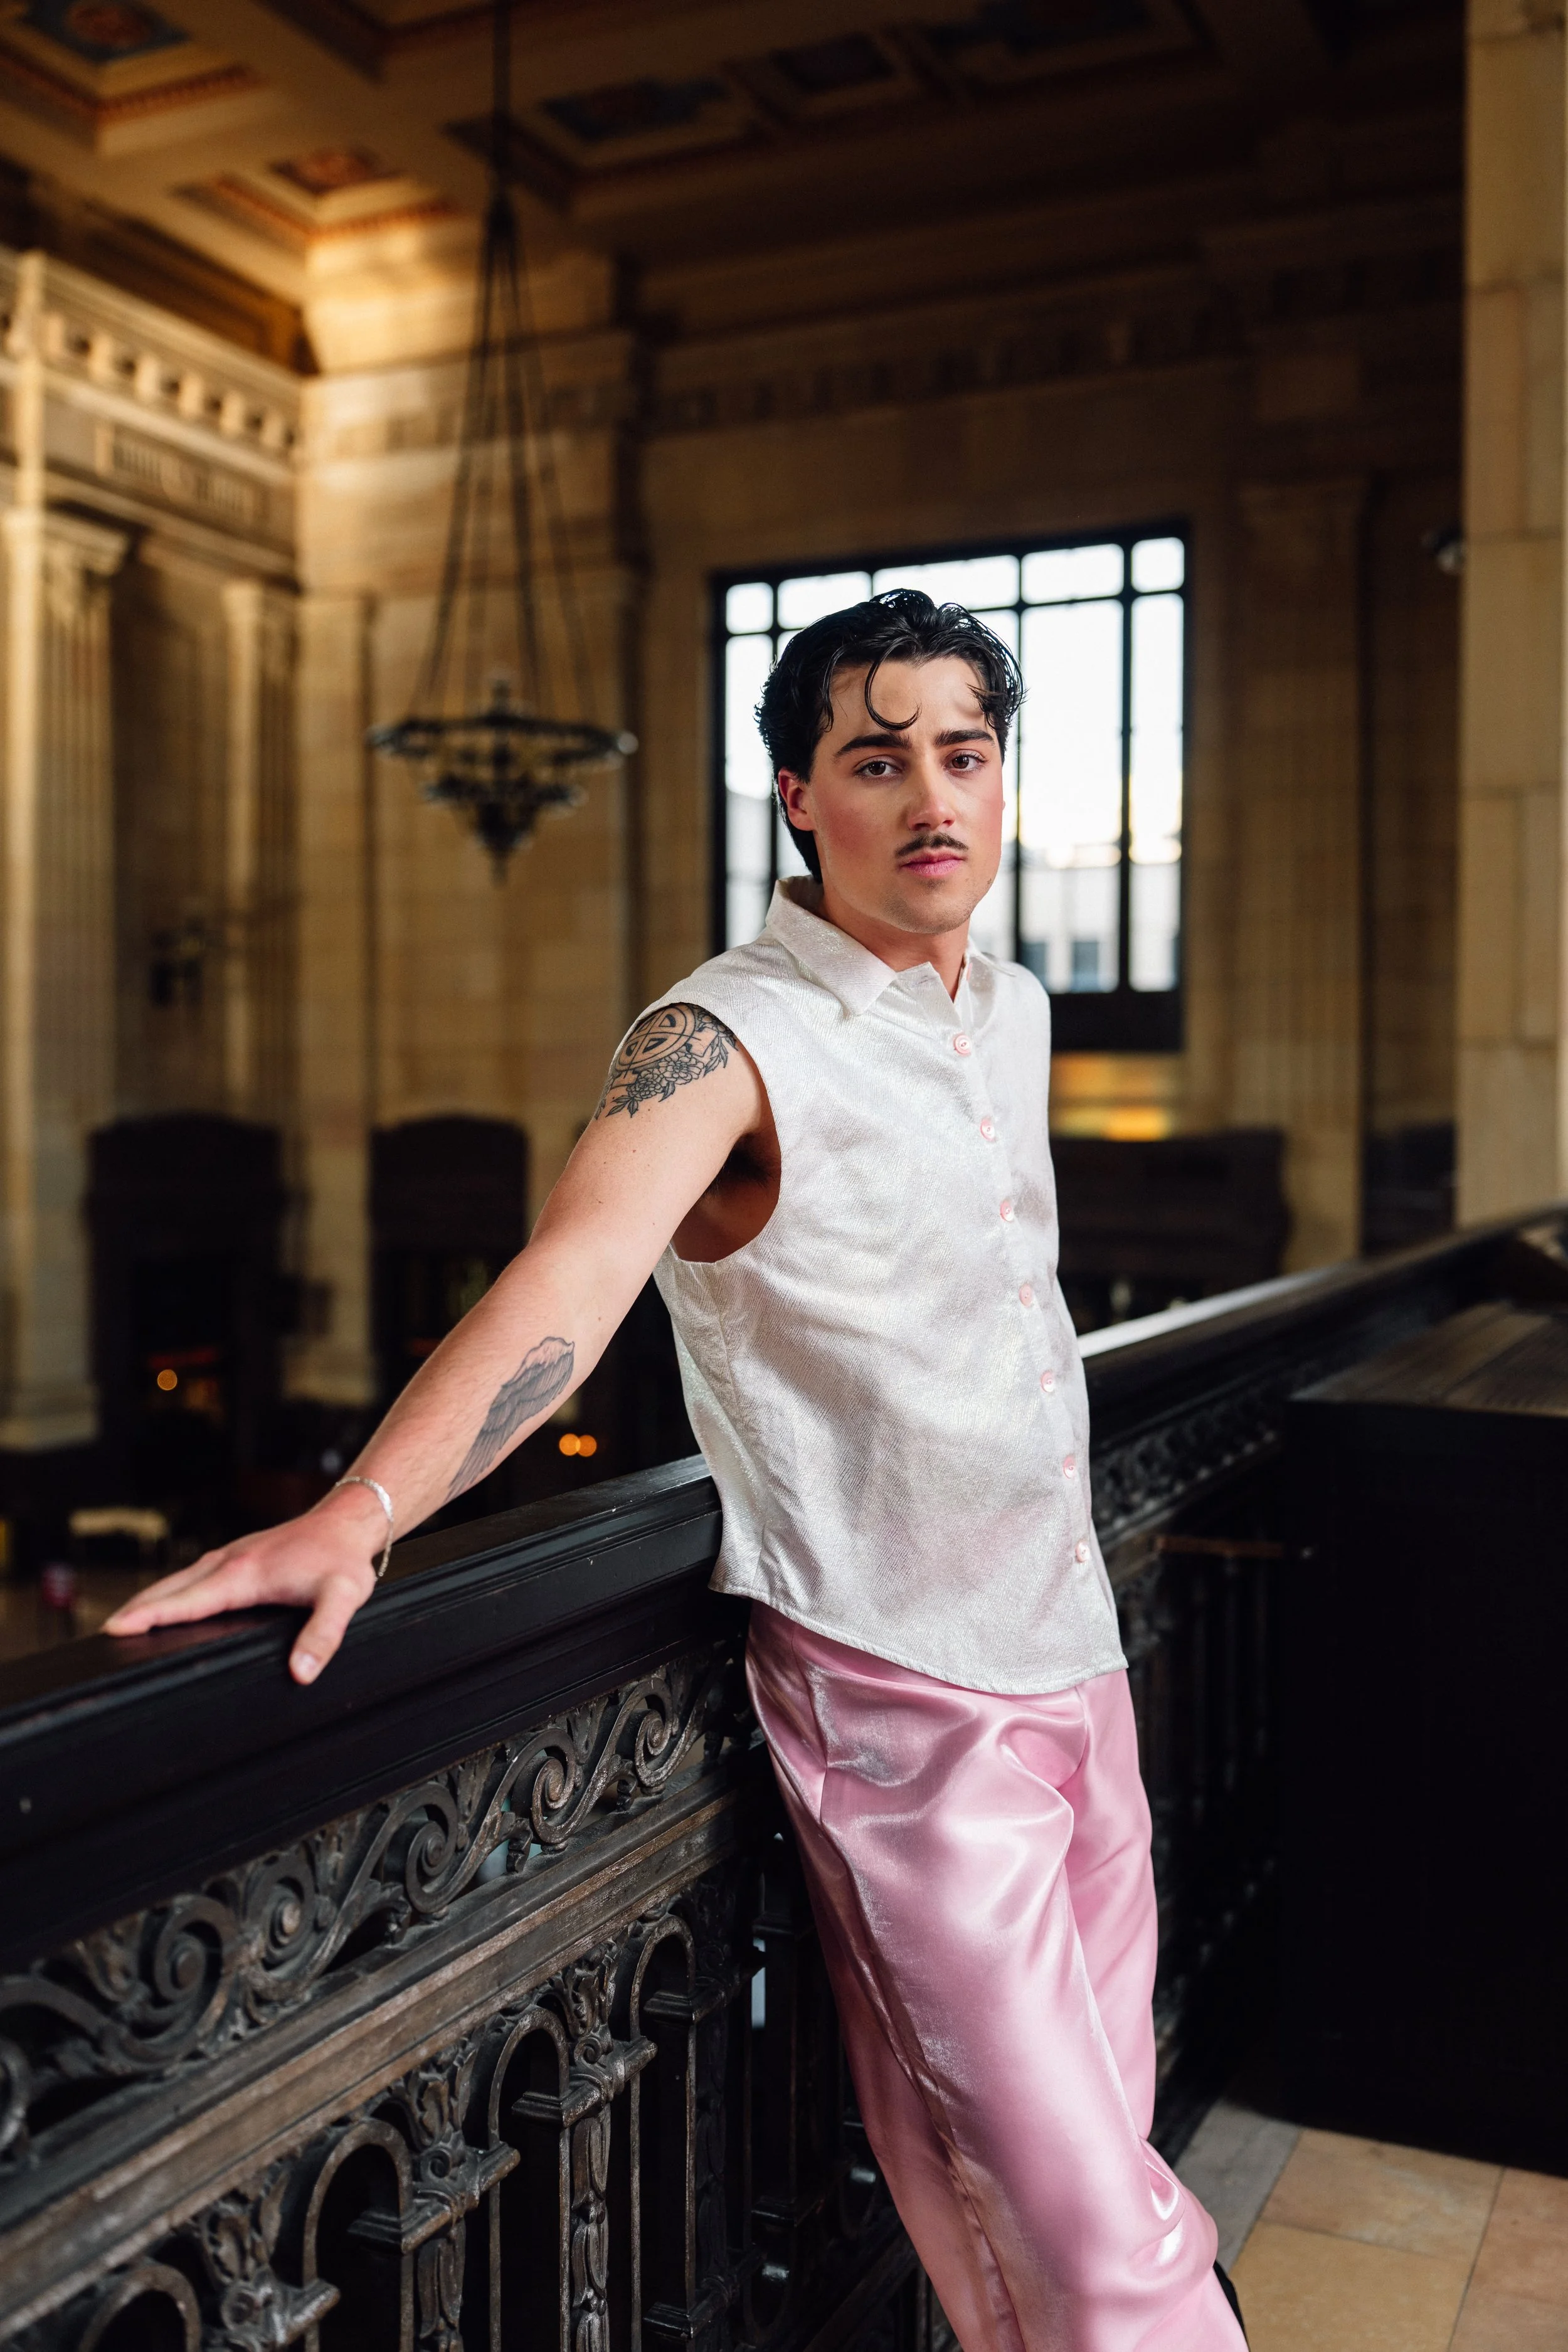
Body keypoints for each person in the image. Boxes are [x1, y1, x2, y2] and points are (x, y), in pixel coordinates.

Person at [107, 590, 1247, 2351]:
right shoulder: (719, 1037)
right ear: (798, 792)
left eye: (964, 754)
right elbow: (569, 1277)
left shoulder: (1010, 1006)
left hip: (1077, 1650)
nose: (931, 798)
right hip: (904, 1699)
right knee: (1089, 2236)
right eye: (878, 760)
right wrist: (365, 1507)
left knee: (1105, 2162)